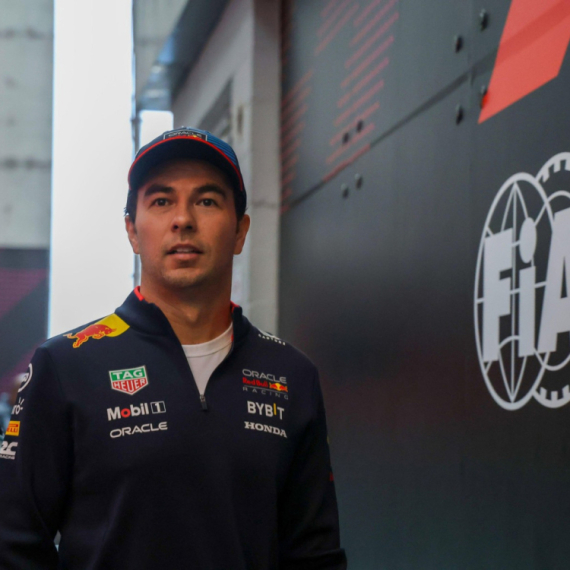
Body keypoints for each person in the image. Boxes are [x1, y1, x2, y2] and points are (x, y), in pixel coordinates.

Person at [0, 127, 347, 569]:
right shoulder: (65, 366)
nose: (183, 219)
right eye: (162, 201)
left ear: (240, 231)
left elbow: (315, 555)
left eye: (207, 201)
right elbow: (12, 545)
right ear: (132, 230)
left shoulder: (291, 376)